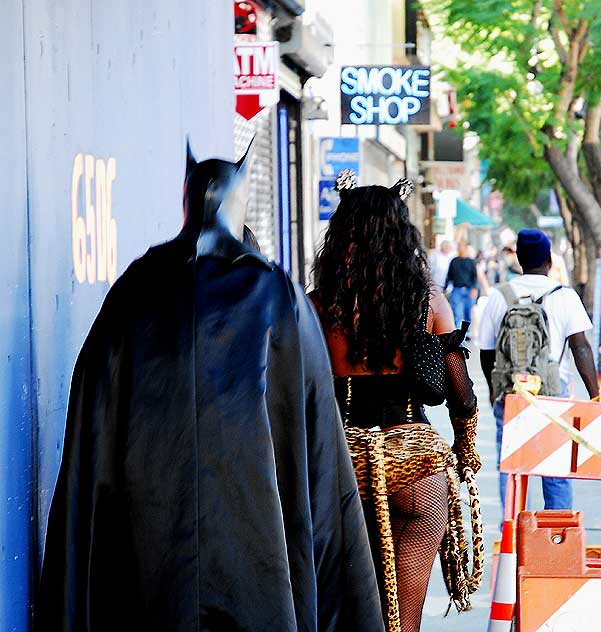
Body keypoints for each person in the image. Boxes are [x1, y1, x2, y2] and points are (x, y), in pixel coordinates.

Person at [35, 143, 385, 631]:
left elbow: (90, 438)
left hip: (151, 563)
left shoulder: (134, 291)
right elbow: (320, 458)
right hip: (257, 566)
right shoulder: (276, 296)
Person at [310, 172, 482, 632]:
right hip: (416, 469)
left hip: (338, 466)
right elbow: (461, 397)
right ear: (402, 232)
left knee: (335, 610)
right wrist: (466, 449)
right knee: (404, 620)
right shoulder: (429, 301)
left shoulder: (315, 305)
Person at [479, 229, 600, 512]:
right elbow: (580, 347)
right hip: (552, 392)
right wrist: (595, 394)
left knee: (511, 469)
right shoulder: (565, 296)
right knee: (556, 470)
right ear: (548, 260)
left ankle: (511, 537)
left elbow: (487, 352)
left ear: (519, 259)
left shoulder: (500, 296)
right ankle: (555, 540)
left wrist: (493, 391)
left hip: (512, 392)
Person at [445, 241, 478, 329]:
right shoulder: (454, 261)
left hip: (468, 290)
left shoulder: (471, 262)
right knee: (457, 312)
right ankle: (459, 334)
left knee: (468, 312)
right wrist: (444, 288)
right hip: (457, 289)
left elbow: (474, 277)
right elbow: (449, 276)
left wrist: (474, 288)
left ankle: (467, 332)